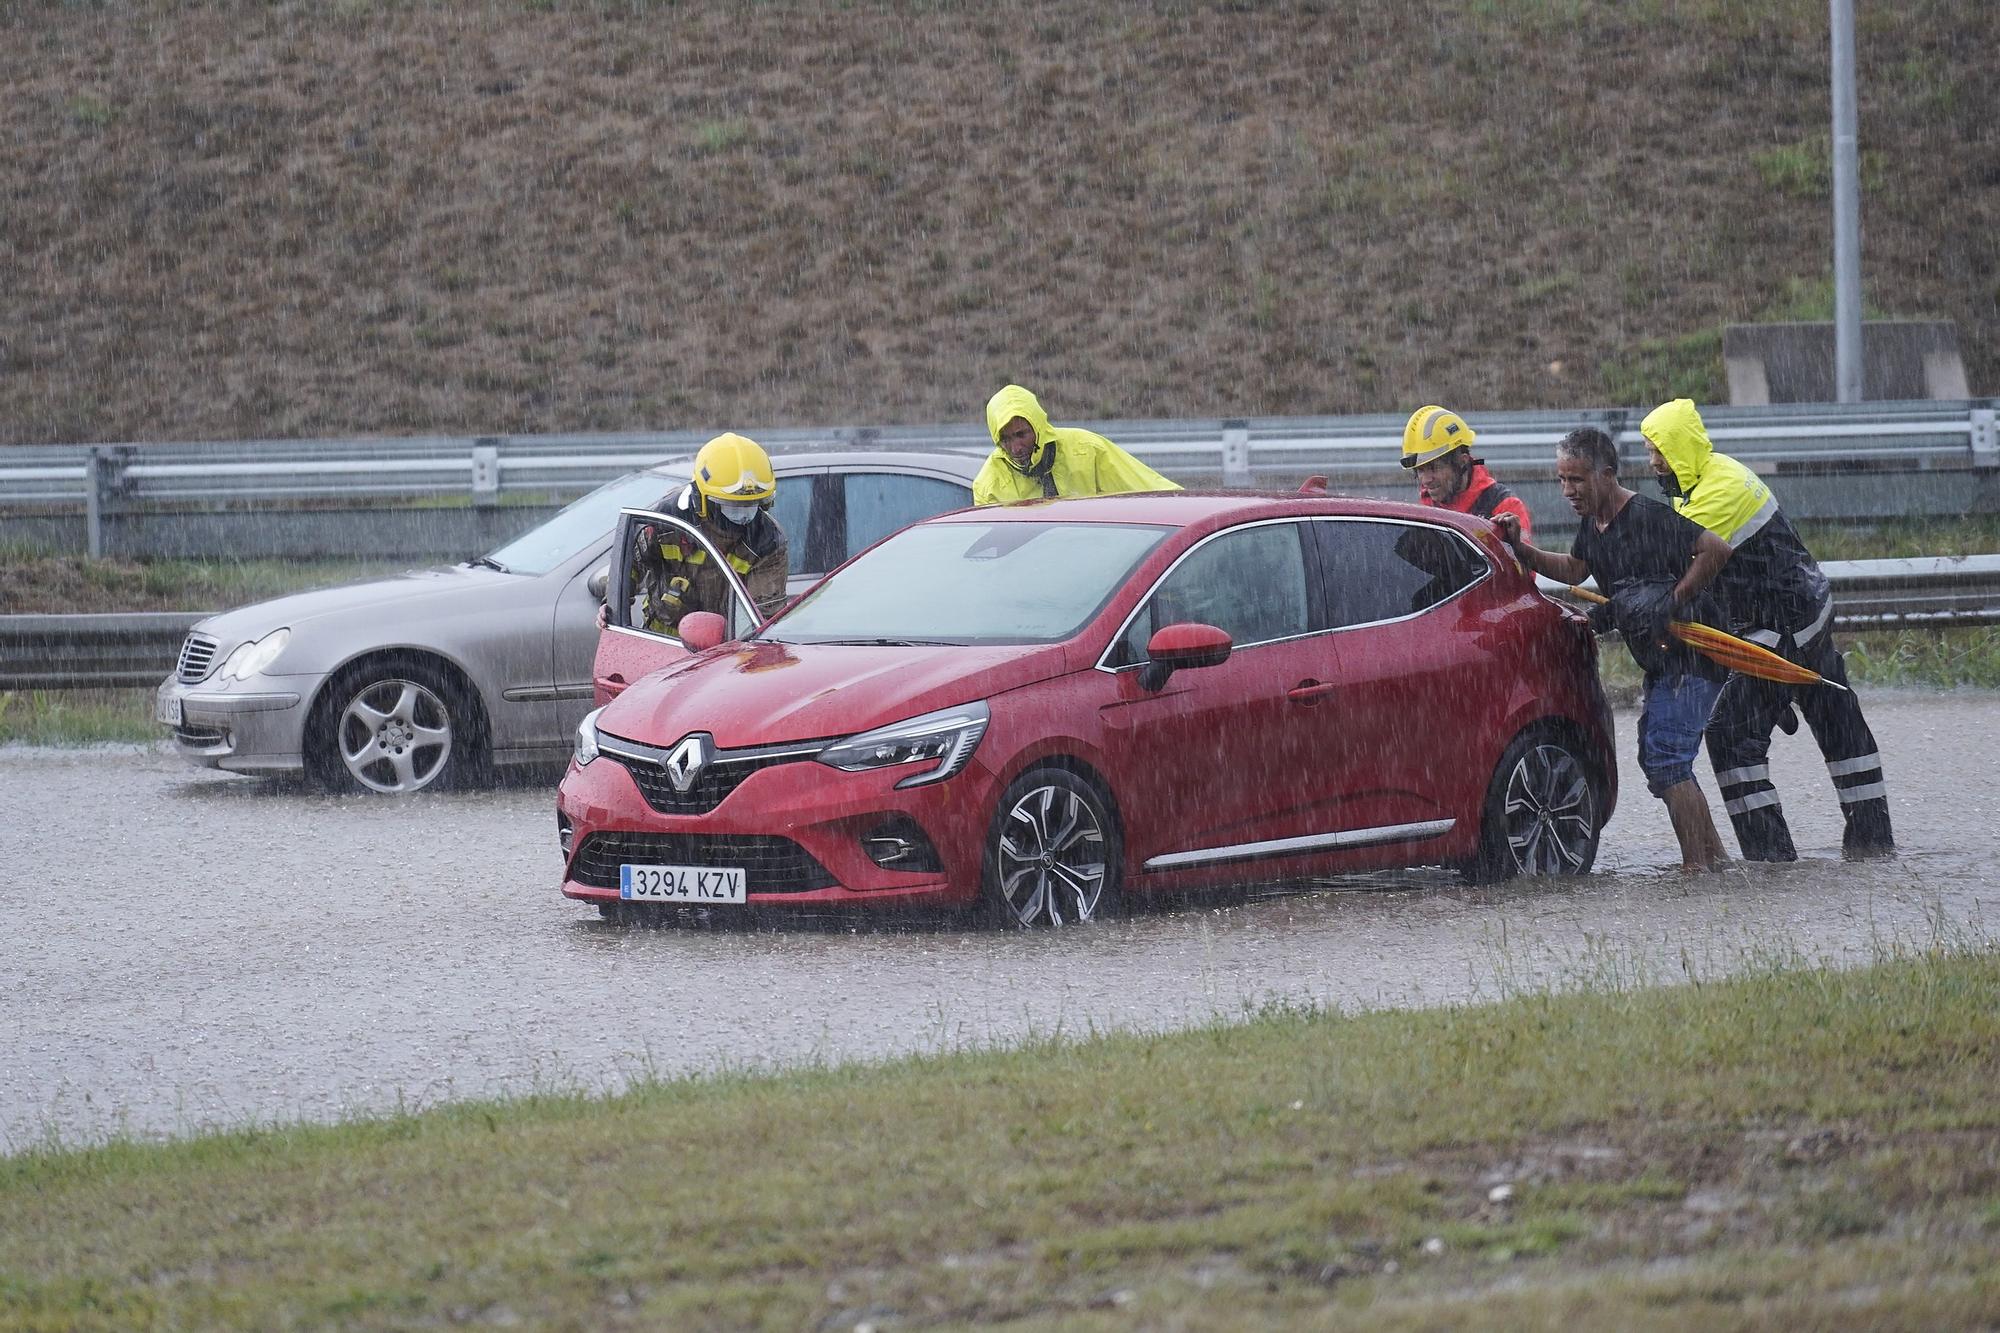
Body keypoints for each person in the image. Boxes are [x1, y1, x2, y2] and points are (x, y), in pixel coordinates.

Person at [1640, 398, 1893, 860]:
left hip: (1785, 621)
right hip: (1794, 612)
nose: (1653, 461)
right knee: (1836, 715)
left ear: (1682, 448)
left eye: (1659, 450)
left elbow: (1679, 569)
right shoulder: (1705, 476)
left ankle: (1771, 861)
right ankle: (1872, 843)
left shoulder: (1720, 491)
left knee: (1731, 734)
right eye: (1650, 449)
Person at [1494, 426, 1733, 872]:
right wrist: (1520, 550)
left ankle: (1695, 872)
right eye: (1562, 480)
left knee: (1666, 760)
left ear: (1606, 475)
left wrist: (1674, 601)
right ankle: (1716, 863)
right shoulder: (1594, 524)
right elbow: (1574, 569)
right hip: (1663, 661)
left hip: (1695, 656)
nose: (1568, 490)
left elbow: (1716, 550)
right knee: (1663, 758)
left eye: (1577, 480)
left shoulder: (1645, 516)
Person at [619, 432, 789, 636]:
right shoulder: (668, 520)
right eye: (733, 507)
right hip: (660, 640)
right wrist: (612, 604)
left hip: (723, 651)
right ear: (702, 500)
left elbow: (763, 617)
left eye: (751, 506)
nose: (744, 517)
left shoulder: (767, 541)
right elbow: (630, 561)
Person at [972, 384, 1179, 505]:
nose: (1015, 448)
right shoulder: (989, 484)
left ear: (1038, 427)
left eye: (1021, 434)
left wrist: (1199, 513)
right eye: (1005, 440)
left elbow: (1151, 493)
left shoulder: (1086, 449)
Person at [1400, 405, 1533, 540]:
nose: (1426, 480)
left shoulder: (1505, 507)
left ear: (1462, 461)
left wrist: (1514, 543)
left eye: (1435, 467)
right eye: (1421, 470)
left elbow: (1522, 561)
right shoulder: (1423, 510)